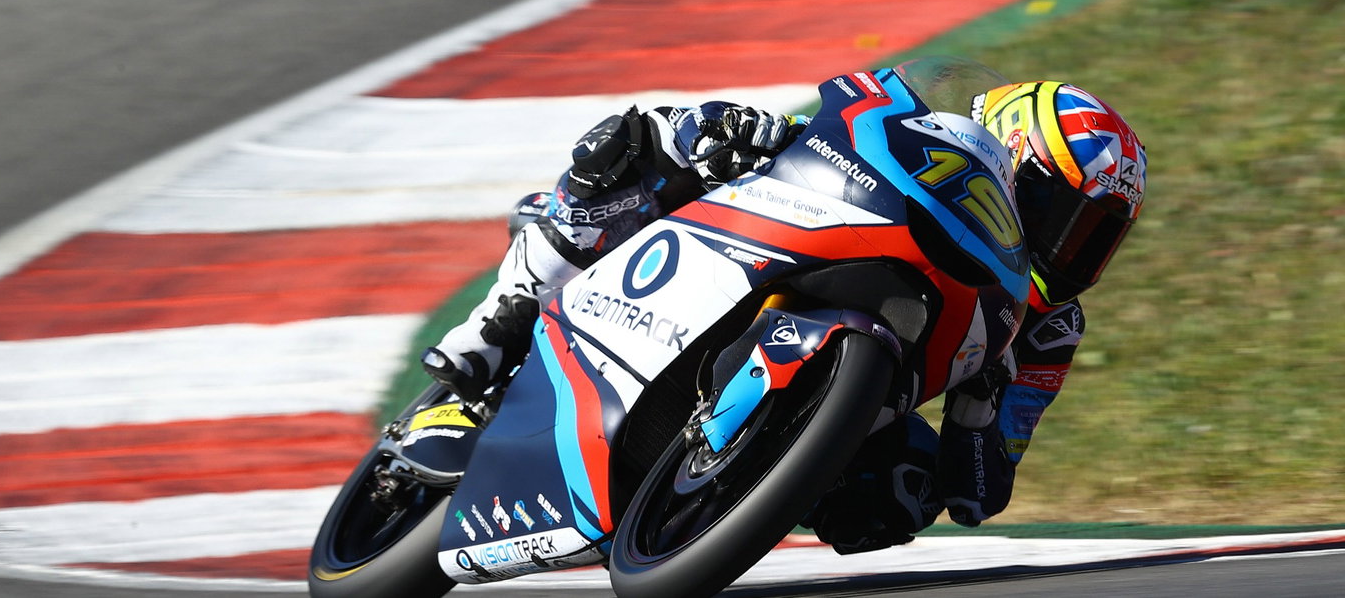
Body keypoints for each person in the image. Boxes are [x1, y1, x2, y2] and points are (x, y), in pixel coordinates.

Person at [421, 76, 1147, 554]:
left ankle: (738, 492)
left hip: (862, 391)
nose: (1069, 248)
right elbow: (832, 137)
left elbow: (979, 496)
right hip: (731, 242)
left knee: (906, 488)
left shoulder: (1049, 329)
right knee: (651, 138)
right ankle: (491, 334)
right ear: (1012, 160)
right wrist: (752, 134)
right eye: (1061, 214)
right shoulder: (926, 146)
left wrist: (982, 407)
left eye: (1093, 236)